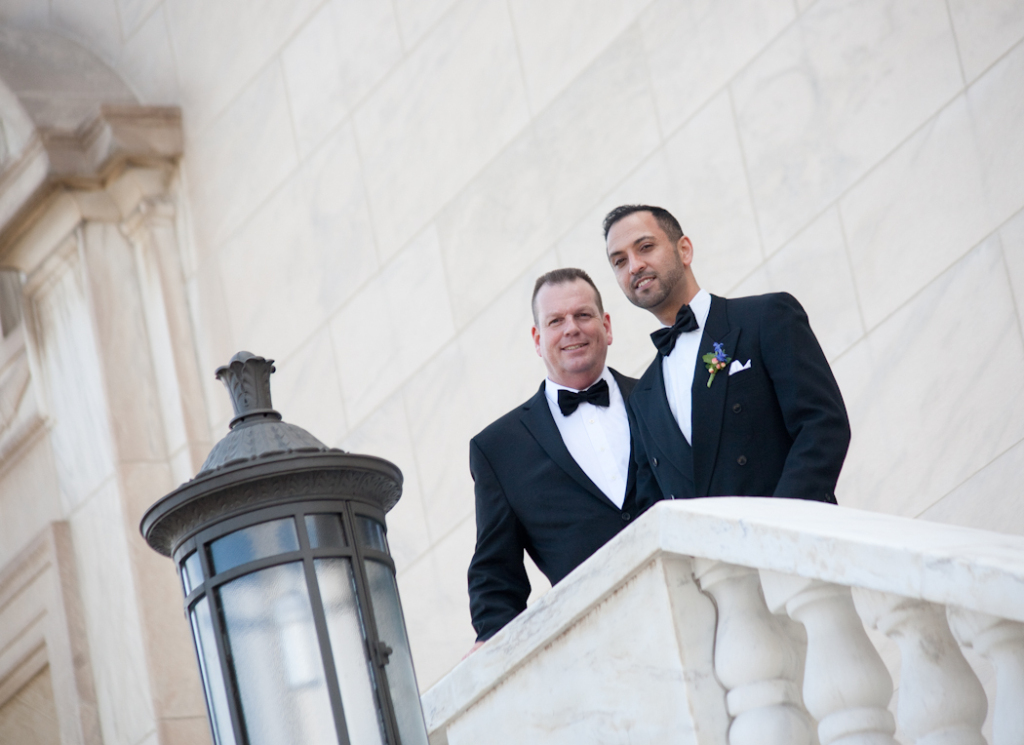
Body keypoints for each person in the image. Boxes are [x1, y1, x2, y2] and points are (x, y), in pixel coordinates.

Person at [603, 204, 850, 510]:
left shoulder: (766, 318)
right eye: (620, 261)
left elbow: (823, 425)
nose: (634, 265)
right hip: (710, 558)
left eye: (646, 247)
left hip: (793, 542)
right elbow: (654, 508)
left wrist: (776, 526)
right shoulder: (642, 397)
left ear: (685, 250)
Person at [467, 268, 638, 650]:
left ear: (606, 326)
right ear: (537, 339)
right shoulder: (498, 449)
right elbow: (496, 574)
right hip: (596, 644)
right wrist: (493, 642)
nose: (571, 329)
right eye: (555, 321)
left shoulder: (655, 396)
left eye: (583, 315)